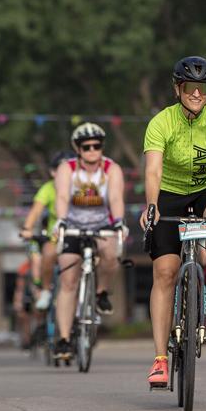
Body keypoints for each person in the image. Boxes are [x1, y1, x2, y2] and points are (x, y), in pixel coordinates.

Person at [140, 55, 206, 387]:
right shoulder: (161, 122)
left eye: (203, 89)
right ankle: (159, 359)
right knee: (165, 272)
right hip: (169, 192)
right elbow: (153, 169)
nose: (196, 94)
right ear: (177, 89)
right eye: (190, 88)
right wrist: (152, 205)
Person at [52, 122, 126, 361]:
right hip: (73, 225)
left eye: (97, 146)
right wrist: (62, 221)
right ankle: (63, 340)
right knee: (68, 281)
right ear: (78, 149)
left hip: (102, 225)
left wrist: (118, 222)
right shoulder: (68, 168)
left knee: (111, 252)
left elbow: (115, 197)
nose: (92, 151)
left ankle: (102, 291)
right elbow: (62, 195)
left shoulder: (111, 169)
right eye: (87, 147)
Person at [20, 151, 75, 312]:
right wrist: (27, 228)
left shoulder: (81, 186)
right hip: (56, 237)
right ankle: (45, 290)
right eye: (62, 169)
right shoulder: (48, 188)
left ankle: (94, 294)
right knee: (48, 254)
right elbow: (36, 210)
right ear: (53, 172)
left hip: (79, 234)